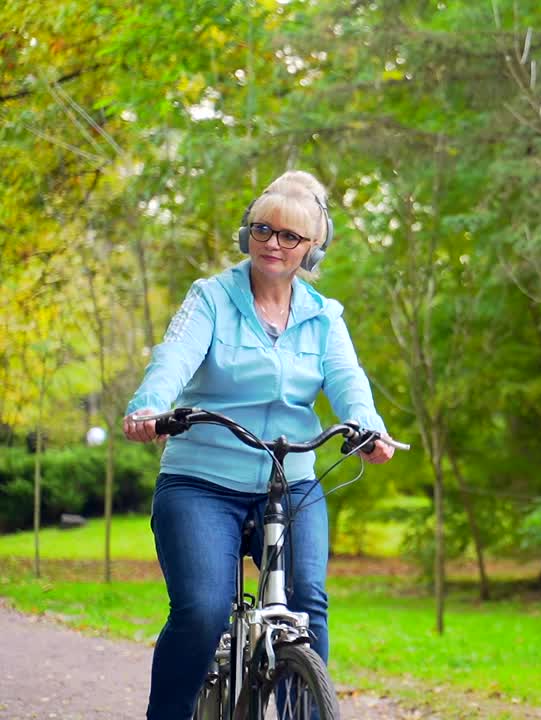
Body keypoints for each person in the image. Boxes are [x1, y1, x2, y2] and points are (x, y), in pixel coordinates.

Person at [122, 170, 395, 719]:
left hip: (290, 482)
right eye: (263, 229)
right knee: (201, 611)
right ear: (247, 233)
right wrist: (150, 407)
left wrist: (367, 425)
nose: (274, 243)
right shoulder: (211, 298)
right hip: (201, 481)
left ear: (312, 250)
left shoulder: (324, 316)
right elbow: (172, 358)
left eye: (291, 236)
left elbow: (347, 380)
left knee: (307, 606)